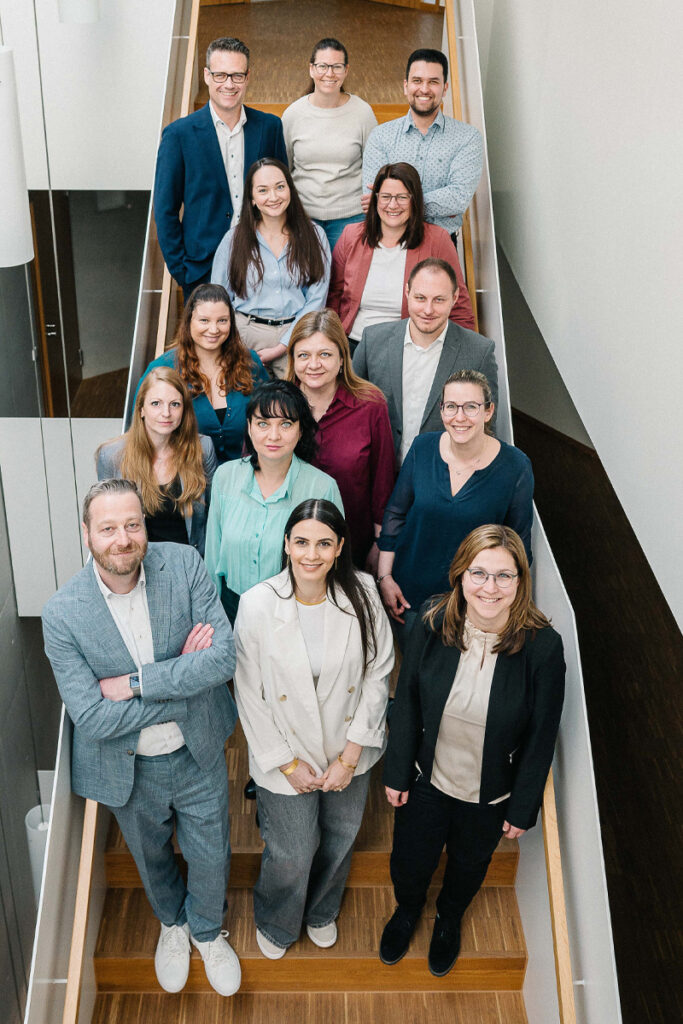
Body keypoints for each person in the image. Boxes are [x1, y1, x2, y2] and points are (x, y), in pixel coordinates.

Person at [41, 480, 240, 996]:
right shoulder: (62, 614)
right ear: (87, 534)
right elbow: (91, 718)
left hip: (198, 747)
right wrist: (182, 679)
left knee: (212, 852)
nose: (123, 538)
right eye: (108, 528)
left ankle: (206, 929)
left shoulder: (183, 564)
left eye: (132, 524)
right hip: (128, 768)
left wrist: (135, 685)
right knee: (151, 859)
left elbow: (221, 659)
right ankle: (173, 924)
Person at [379, 524, 565, 977]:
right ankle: (407, 911)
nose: (490, 587)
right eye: (479, 573)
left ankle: (448, 919)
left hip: (489, 793)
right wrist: (397, 772)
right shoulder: (430, 621)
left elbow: (542, 736)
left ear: (521, 581)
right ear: (460, 575)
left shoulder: (543, 648)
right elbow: (406, 701)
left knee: (468, 864)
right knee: (410, 857)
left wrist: (522, 808)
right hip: (427, 779)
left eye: (504, 576)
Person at [233, 499, 394, 957]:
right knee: (294, 849)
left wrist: (350, 756)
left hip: (348, 747)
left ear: (340, 547)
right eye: (301, 542)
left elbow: (379, 673)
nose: (311, 554)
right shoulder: (257, 604)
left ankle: (322, 909)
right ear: (286, 545)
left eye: (324, 543)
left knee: (341, 837)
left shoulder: (362, 593)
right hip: (286, 751)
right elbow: (249, 692)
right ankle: (278, 919)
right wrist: (285, 762)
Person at [376, 370, 533, 646]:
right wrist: (385, 577)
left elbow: (519, 546)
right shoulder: (423, 447)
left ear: (488, 411)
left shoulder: (515, 466)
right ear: (442, 409)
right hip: (408, 594)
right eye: (451, 407)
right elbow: (395, 514)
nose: (459, 417)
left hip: (471, 604)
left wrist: (499, 605)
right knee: (411, 677)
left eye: (471, 407)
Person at [154, 37, 287, 300]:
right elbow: (165, 209)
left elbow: (282, 195)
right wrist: (183, 271)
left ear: (248, 77)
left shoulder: (270, 127)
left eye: (237, 75)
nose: (229, 84)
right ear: (206, 75)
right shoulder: (178, 135)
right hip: (202, 269)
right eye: (221, 75)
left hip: (262, 262)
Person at [204, 380, 343, 626]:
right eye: (263, 424)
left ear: (301, 430)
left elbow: (333, 563)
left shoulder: (323, 487)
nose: (274, 435)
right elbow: (213, 555)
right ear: (249, 427)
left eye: (286, 424)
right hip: (231, 607)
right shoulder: (226, 477)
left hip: (296, 610)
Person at [352, 258, 498, 461]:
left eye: (439, 300)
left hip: (444, 476)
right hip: (379, 471)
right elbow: (349, 409)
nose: (428, 310)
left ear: (455, 297)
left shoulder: (479, 351)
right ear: (407, 292)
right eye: (420, 298)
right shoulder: (373, 341)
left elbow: (488, 428)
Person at [287, 309, 395, 569]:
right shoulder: (278, 405)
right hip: (288, 546)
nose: (314, 364)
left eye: (325, 354)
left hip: (352, 545)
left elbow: (383, 484)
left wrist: (381, 545)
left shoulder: (370, 404)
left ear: (342, 359)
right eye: (304, 355)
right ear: (292, 359)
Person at [328, 162, 474, 345]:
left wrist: (465, 357)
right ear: (375, 199)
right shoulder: (351, 236)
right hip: (354, 344)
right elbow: (333, 296)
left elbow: (459, 305)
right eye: (386, 196)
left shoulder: (438, 241)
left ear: (415, 200)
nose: (393, 205)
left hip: (409, 347)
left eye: (402, 197)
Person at [211, 159, 330, 378]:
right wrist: (236, 344)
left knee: (296, 408)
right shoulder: (234, 239)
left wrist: (282, 347)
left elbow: (316, 300)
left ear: (290, 190)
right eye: (263, 190)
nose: (273, 197)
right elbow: (219, 298)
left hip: (296, 337)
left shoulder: (315, 235)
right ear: (253, 199)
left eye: (280, 187)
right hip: (244, 336)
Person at [136, 284, 269, 464]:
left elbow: (270, 417)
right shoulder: (162, 369)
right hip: (187, 480)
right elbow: (138, 430)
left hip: (244, 478)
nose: (214, 330)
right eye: (204, 320)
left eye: (222, 320)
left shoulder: (250, 362)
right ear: (189, 321)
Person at [361, 48, 483, 239]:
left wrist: (394, 201)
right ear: (405, 86)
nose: (424, 89)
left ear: (445, 88)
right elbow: (372, 197)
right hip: (389, 241)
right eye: (417, 81)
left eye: (433, 82)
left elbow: (458, 198)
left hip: (441, 243)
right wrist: (435, 203)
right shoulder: (381, 136)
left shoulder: (467, 138)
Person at [97, 367, 216, 556]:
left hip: (191, 564)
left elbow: (213, 515)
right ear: (141, 409)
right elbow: (107, 520)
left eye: (175, 404)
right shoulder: (112, 456)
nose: (166, 413)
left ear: (184, 410)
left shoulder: (202, 448)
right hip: (140, 564)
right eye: (156, 403)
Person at [282, 37, 377, 250]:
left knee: (345, 281)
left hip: (350, 217)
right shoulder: (293, 114)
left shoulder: (362, 113)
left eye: (337, 67)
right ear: (311, 69)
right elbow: (284, 168)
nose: (329, 73)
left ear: (346, 70)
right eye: (323, 66)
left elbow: (374, 167)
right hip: (303, 217)